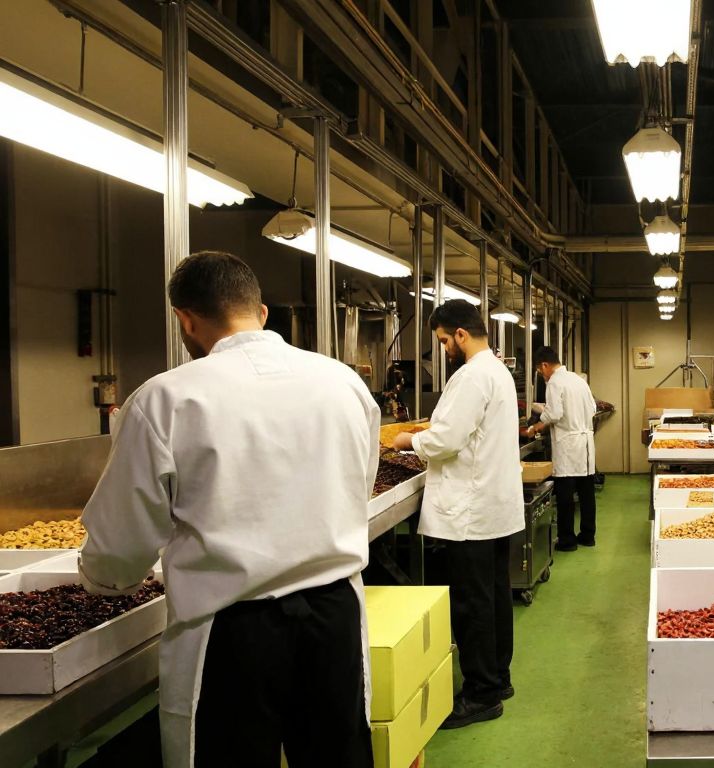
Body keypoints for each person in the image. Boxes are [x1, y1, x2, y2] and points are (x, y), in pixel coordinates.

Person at [78, 251, 380, 768]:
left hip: (232, 635)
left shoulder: (164, 399)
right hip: (335, 616)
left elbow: (122, 538)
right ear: (261, 313)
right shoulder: (343, 383)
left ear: (185, 320)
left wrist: (105, 580)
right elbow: (360, 481)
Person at [392, 299, 524, 728]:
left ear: (461, 335)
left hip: (469, 511)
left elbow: (446, 440)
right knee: (494, 597)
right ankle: (498, 678)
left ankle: (482, 694)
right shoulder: (497, 371)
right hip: (492, 507)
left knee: (472, 605)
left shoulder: (471, 376)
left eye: (445, 340)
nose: (445, 347)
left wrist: (407, 442)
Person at [521, 347, 597, 550]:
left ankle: (567, 540)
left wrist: (535, 426)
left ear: (544, 365)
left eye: (540, 371)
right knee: (586, 491)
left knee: (565, 494)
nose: (541, 375)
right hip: (585, 442)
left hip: (568, 444)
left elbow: (554, 413)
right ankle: (588, 536)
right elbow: (593, 408)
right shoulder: (578, 379)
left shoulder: (555, 382)